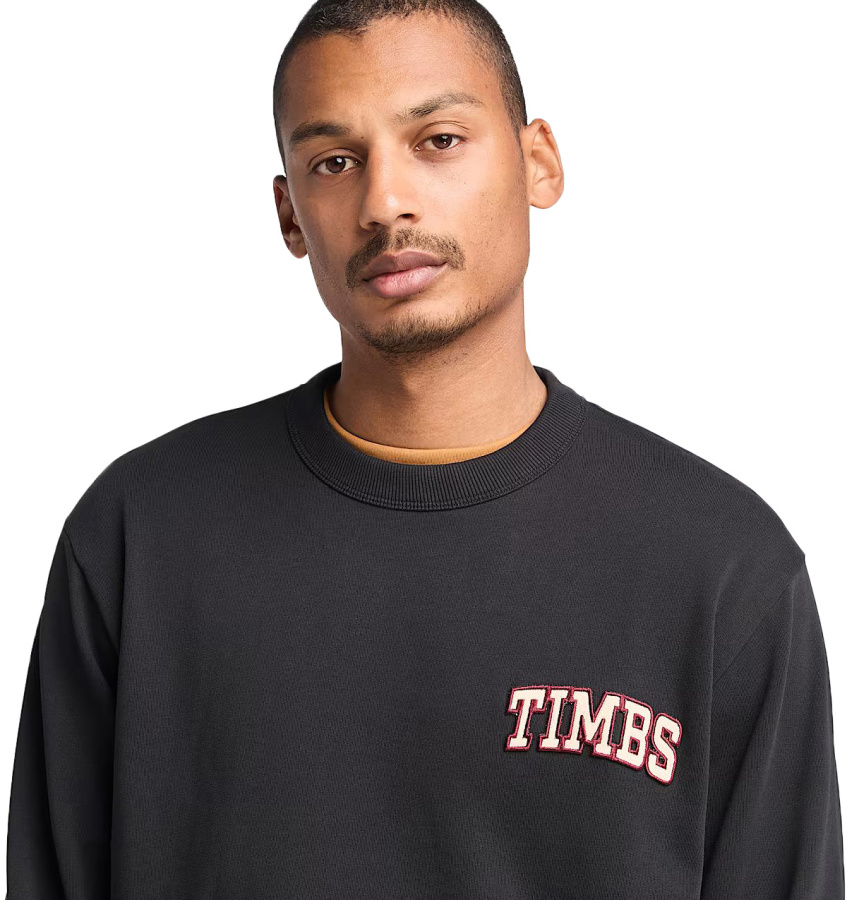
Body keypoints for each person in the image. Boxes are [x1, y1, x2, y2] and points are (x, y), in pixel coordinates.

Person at [5, 0, 844, 897]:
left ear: (538, 162)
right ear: (290, 216)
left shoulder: (721, 566)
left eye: (438, 141)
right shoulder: (139, 534)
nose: (384, 202)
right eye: (335, 162)